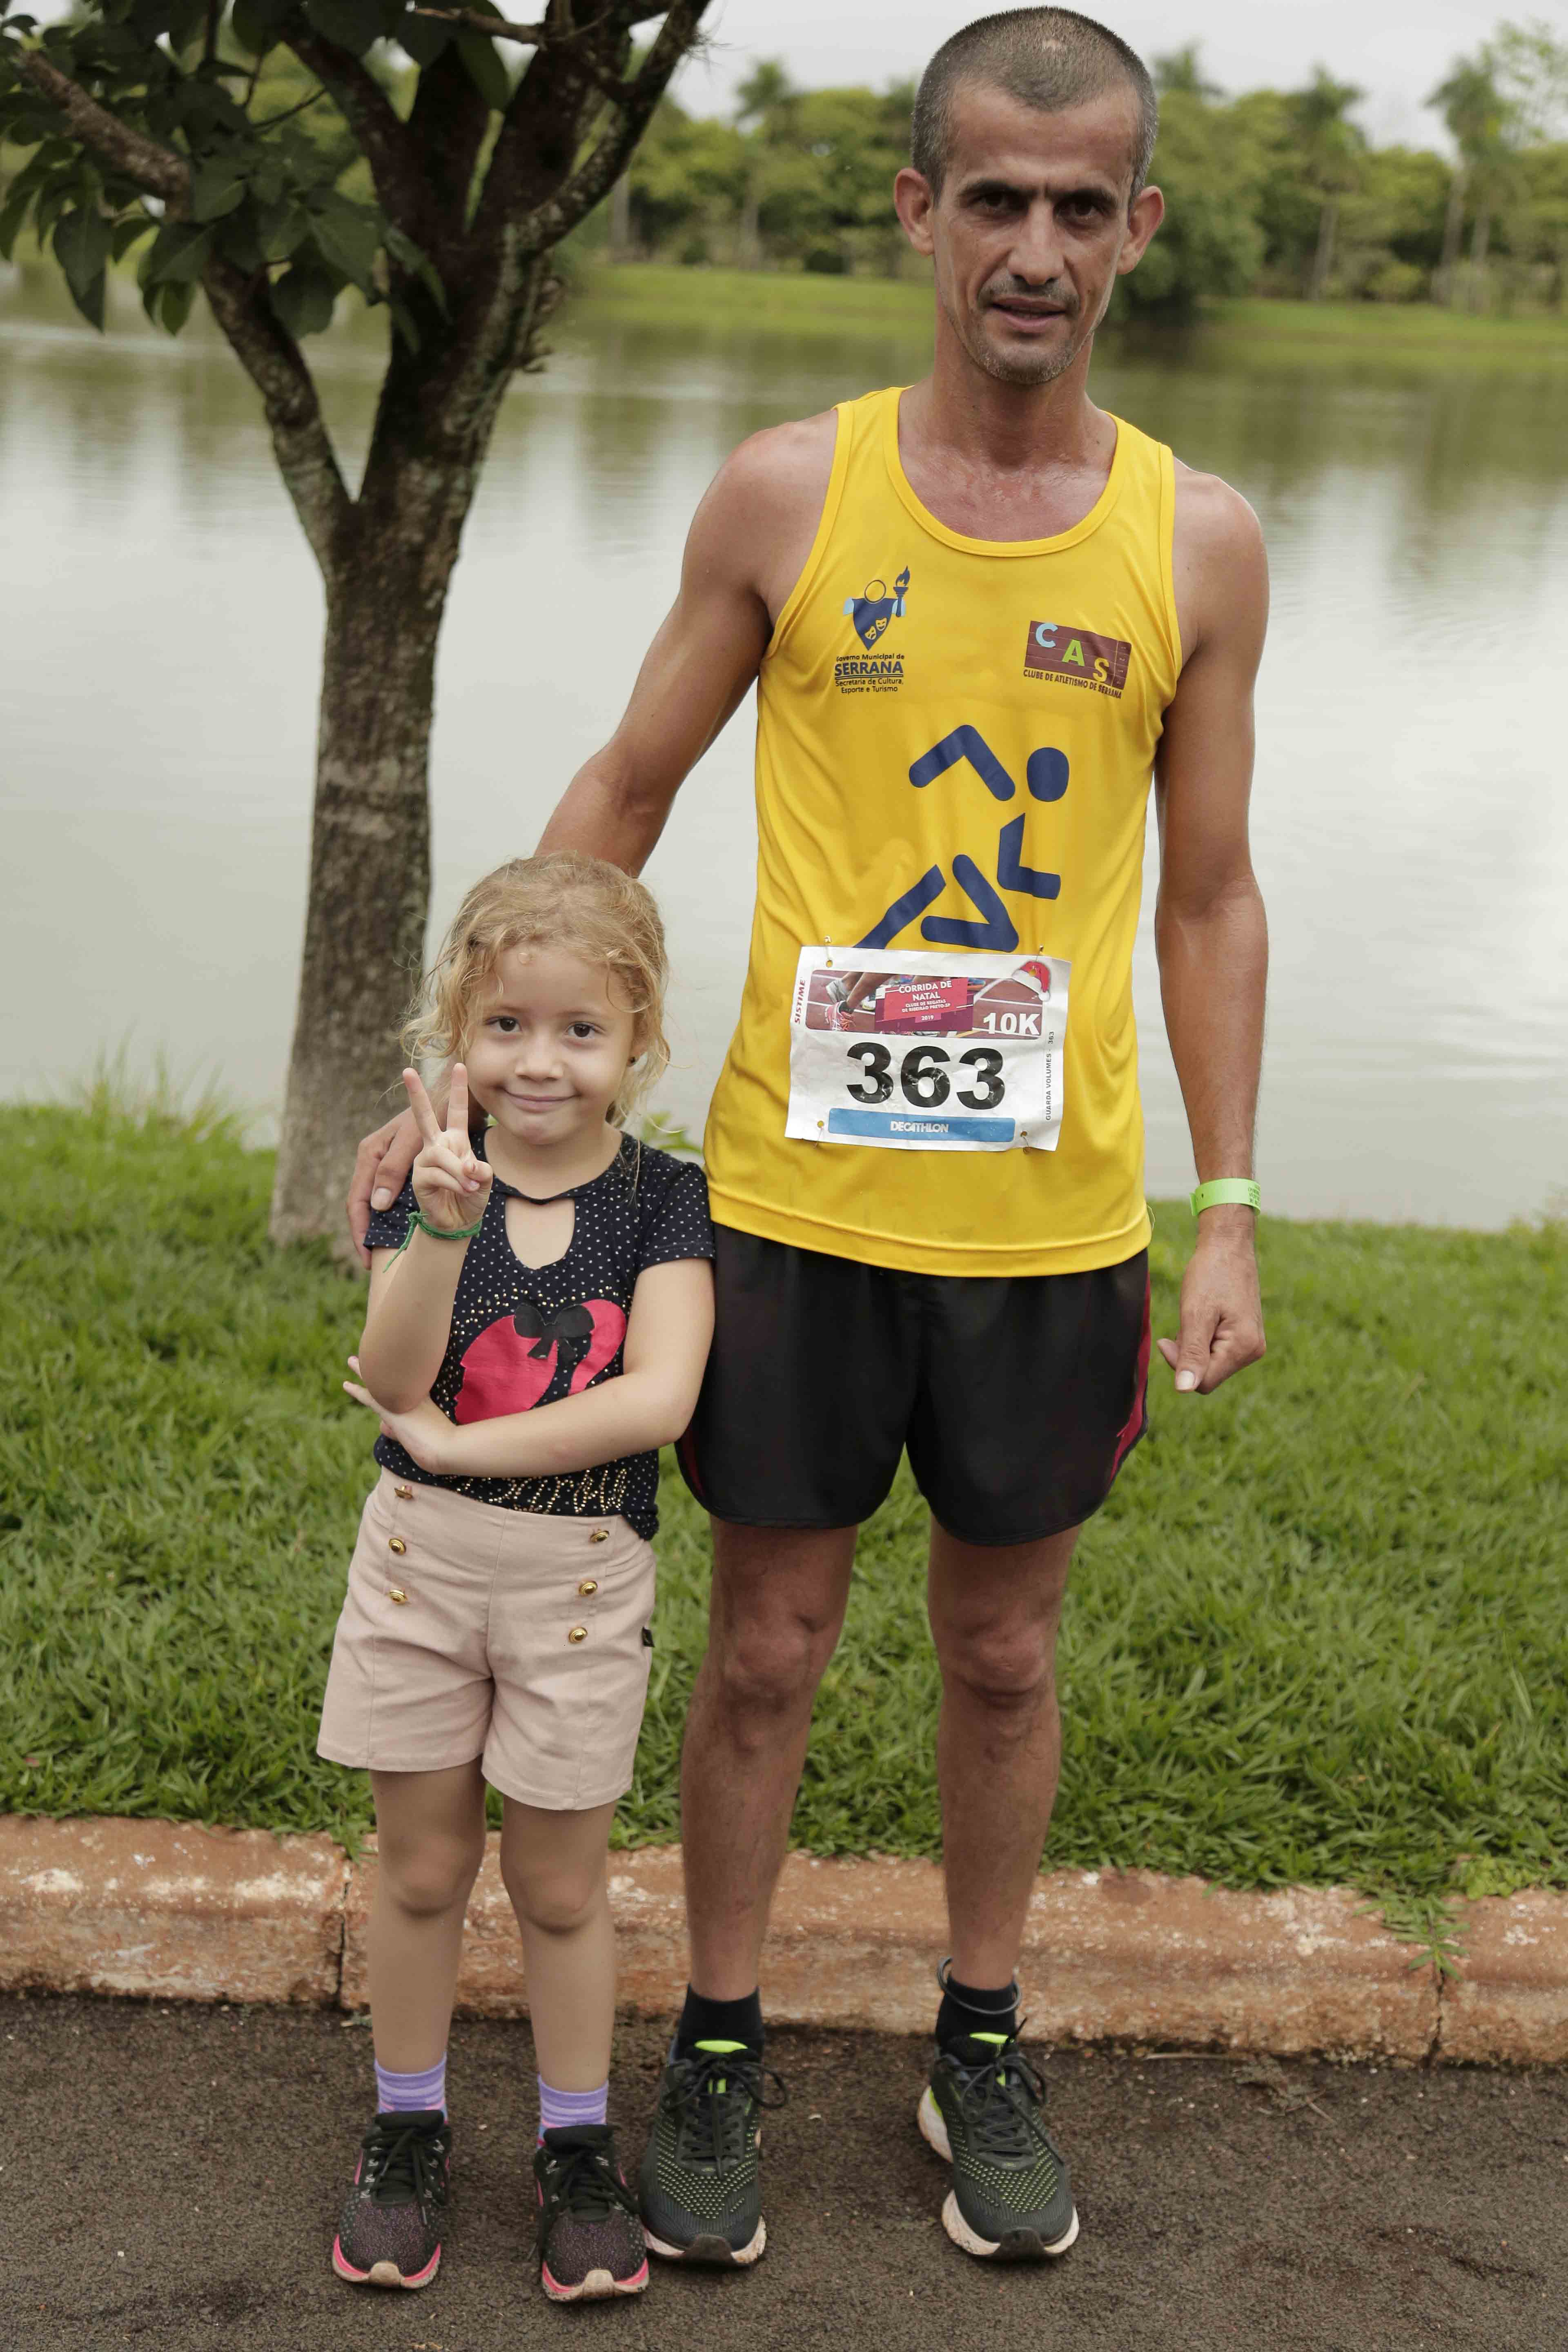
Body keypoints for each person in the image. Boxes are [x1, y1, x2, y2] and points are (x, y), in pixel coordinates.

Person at [349, 4, 1270, 2276]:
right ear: (920, 216)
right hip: (785, 1203)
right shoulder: (788, 492)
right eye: (995, 201)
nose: (1034, 249)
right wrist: (474, 1056)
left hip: (1051, 1223)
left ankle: (981, 2036)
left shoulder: (1202, 542)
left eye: (1081, 207)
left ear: (1136, 231)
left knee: (1004, 1656)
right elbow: (629, 798)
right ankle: (725, 2049)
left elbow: (1214, 889)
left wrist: (1228, 1201)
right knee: (763, 1649)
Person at [319, 853, 715, 2301]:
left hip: (580, 1586)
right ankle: (408, 2130)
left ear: (638, 1043)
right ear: (458, 1033)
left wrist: (463, 1453)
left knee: (559, 1885)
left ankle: (573, 2148)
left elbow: (658, 1398)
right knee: (422, 1866)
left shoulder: (666, 1201)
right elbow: (393, 1374)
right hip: (420, 1577)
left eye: (579, 1031)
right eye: (505, 1028)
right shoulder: (427, 1185)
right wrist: (435, 1227)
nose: (538, 1062)